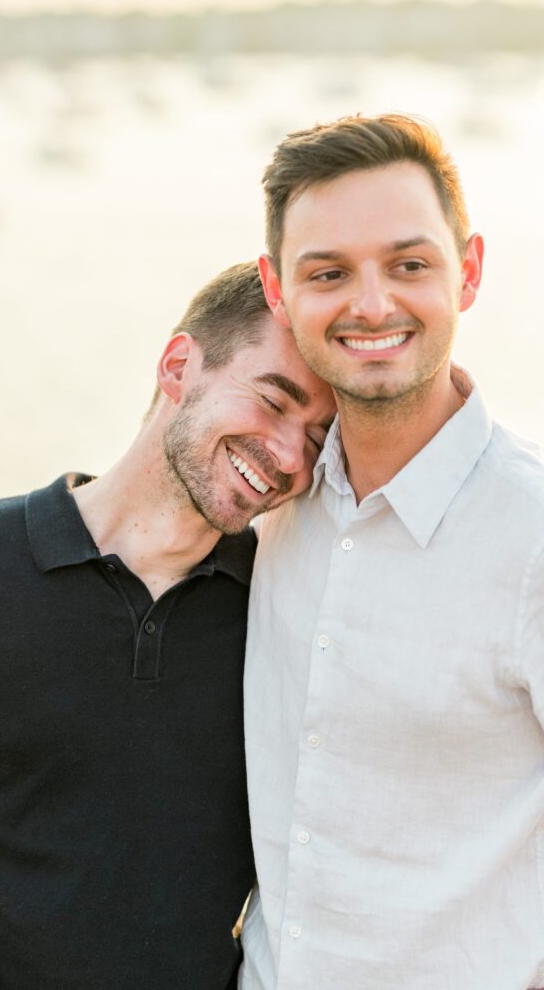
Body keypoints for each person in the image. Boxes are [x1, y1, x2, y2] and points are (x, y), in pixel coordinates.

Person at [0, 262, 335, 990]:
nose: (289, 458)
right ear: (179, 365)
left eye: (317, 437)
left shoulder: (290, 611)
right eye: (274, 401)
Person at [239, 115, 544, 989]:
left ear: (469, 271)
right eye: (328, 273)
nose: (371, 305)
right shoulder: (271, 512)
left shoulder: (529, 538)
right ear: (276, 288)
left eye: (408, 265)